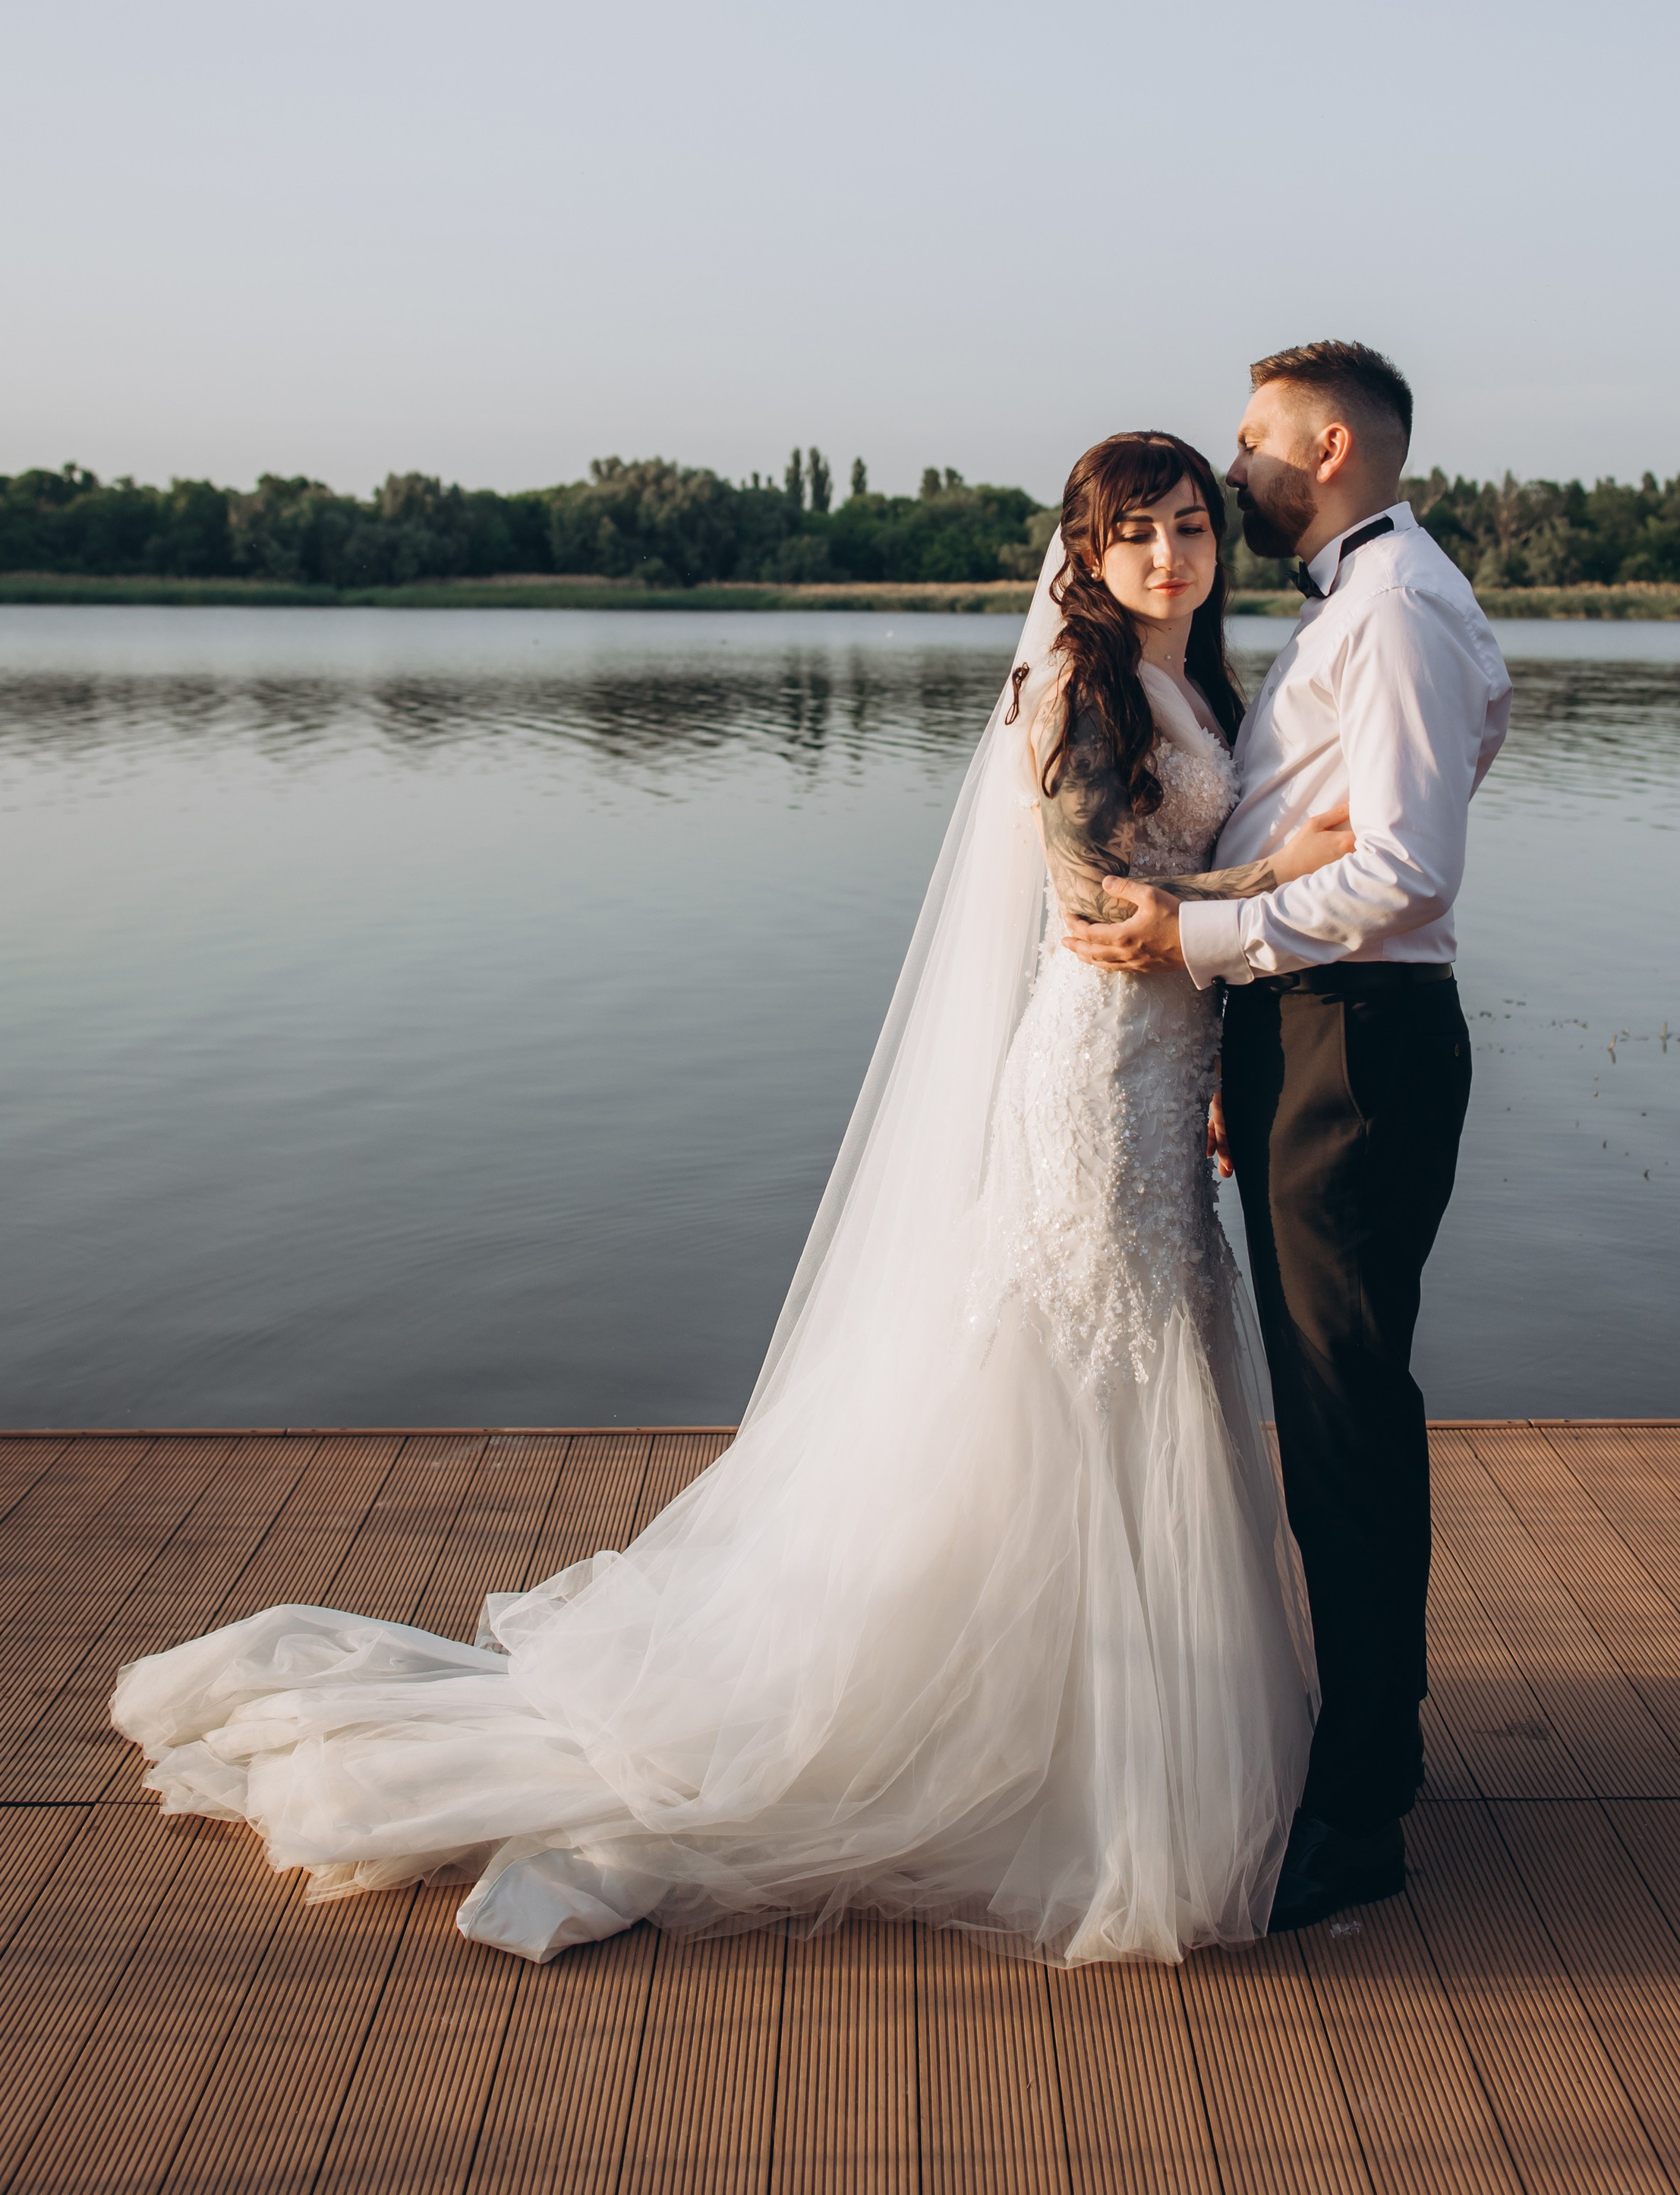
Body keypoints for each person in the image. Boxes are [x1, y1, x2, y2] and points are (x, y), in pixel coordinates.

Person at [113, 431, 1352, 1966]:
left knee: (1140, 1367)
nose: (1170, 556)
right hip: (1095, 1075)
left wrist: (1222, 1037)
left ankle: (1102, 1714)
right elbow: (1099, 903)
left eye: (1190, 528)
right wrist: (1287, 874)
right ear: (1085, 556)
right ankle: (1025, 1728)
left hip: (1169, 1071)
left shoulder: (1194, 692)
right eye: (1137, 533)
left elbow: (1168, 911)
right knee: (1081, 1362)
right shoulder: (1075, 691)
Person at [1065, 343, 1511, 1931]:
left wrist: (1200, 943)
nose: (1233, 468)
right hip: (1310, 1031)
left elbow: (1403, 870)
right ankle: (1369, 1743)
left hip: (1355, 1042)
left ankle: (1362, 1800)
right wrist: (1234, 1014)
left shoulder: (1390, 609)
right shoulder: (1366, 601)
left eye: (1251, 444)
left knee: (1341, 1414)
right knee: (1334, 1409)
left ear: (1326, 450)